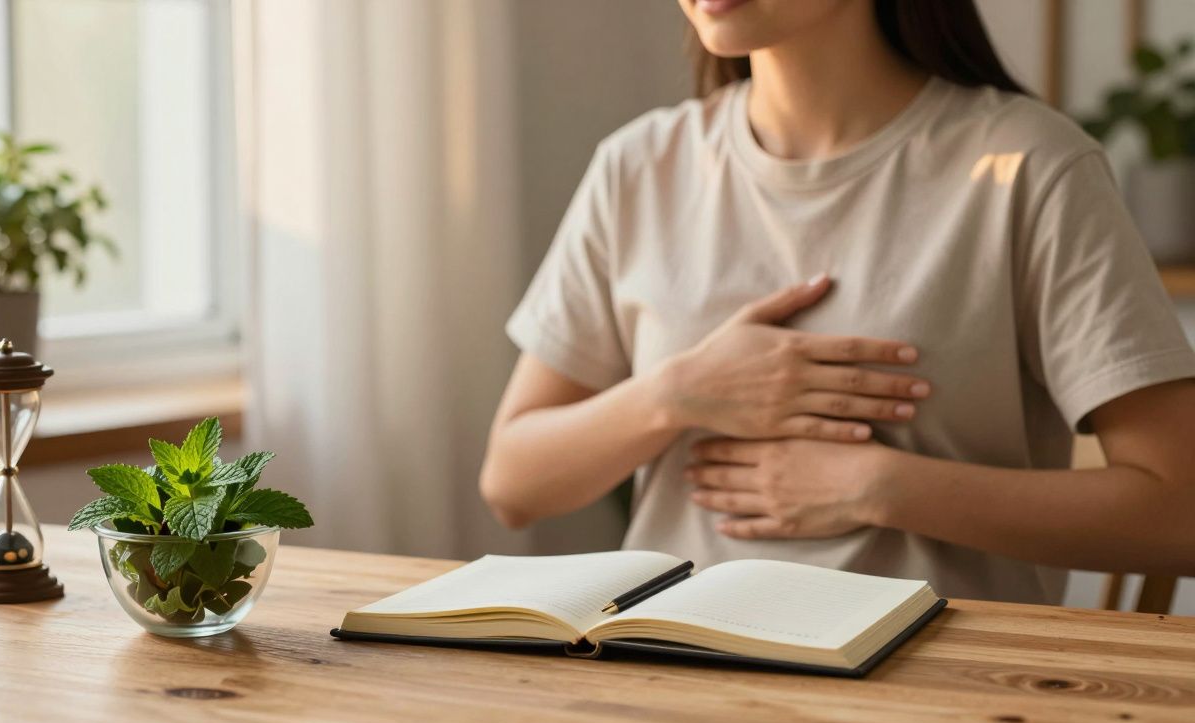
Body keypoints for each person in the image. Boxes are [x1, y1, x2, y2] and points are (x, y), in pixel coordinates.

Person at [479, 0, 1195, 604]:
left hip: (945, 694)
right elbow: (513, 483)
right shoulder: (637, 167)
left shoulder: (1032, 167)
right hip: (673, 681)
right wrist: (678, 392)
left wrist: (881, 488)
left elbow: (1179, 512)